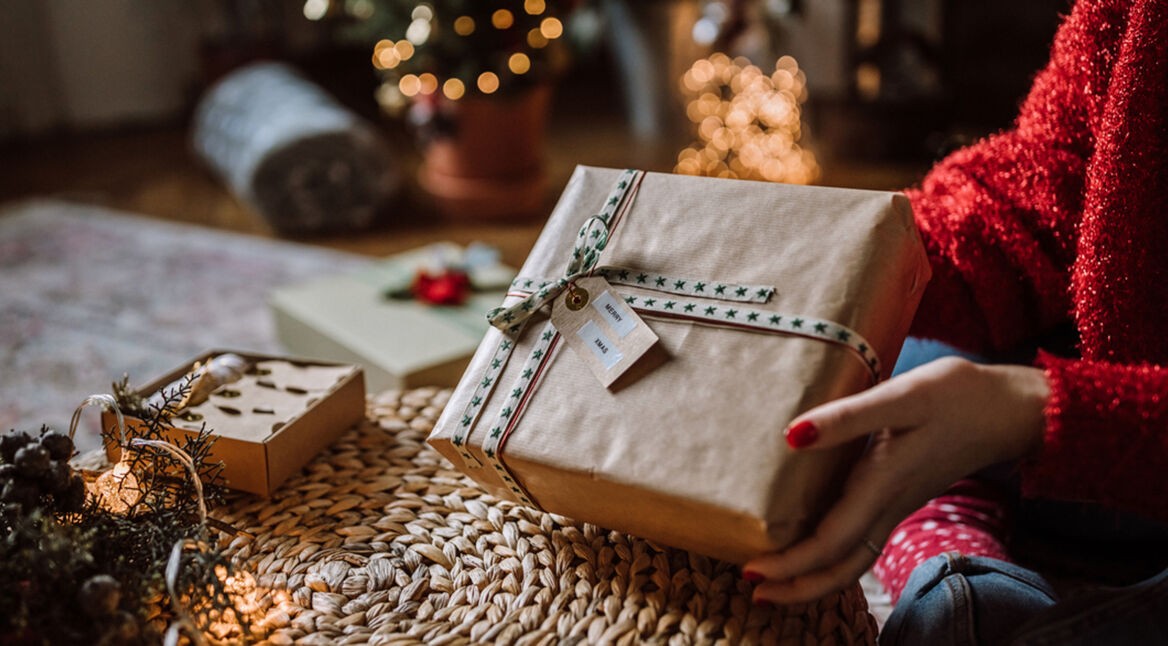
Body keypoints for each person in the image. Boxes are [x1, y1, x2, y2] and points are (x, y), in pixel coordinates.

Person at [741, 0, 1168, 642]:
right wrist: (864, 258)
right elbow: (1062, 163)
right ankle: (958, 517)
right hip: (1112, 378)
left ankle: (950, 515)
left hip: (1127, 424)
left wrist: (1039, 416)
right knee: (898, 356)